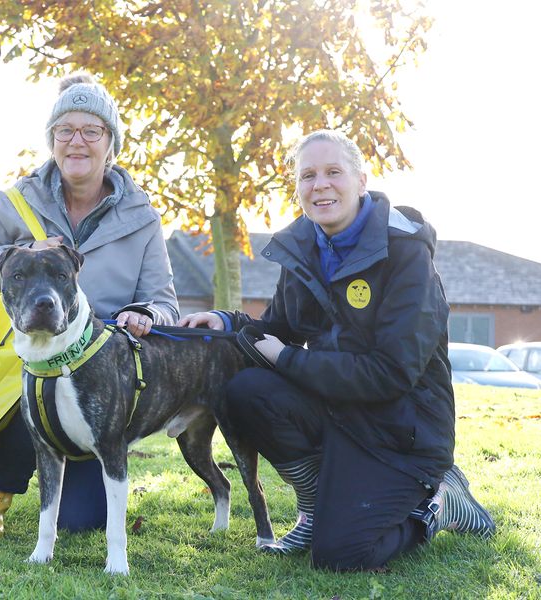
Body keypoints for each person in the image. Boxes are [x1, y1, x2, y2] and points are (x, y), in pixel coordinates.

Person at [178, 129, 495, 571]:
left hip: (403, 434)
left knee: (341, 554)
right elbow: (279, 327)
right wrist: (228, 322)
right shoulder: (305, 247)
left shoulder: (405, 255)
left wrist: (288, 360)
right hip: (341, 414)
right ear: (298, 188)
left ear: (361, 180)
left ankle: (441, 501)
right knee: (247, 390)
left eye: (333, 172)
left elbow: (392, 373)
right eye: (307, 175)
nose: (320, 185)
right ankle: (313, 509)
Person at [0, 72, 179, 538]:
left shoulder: (142, 216)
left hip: (100, 370)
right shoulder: (14, 202)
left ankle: (77, 477)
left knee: (81, 522)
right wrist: (16, 258)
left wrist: (146, 314)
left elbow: (164, 301)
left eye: (92, 131)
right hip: (27, 354)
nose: (77, 142)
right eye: (65, 130)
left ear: (110, 143)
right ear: (51, 140)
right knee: (30, 387)